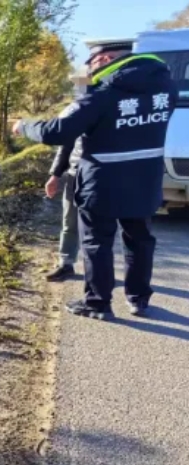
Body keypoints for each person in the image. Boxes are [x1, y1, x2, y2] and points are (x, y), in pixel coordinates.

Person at [13, 43, 177, 320]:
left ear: (104, 59)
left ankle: (98, 303)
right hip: (144, 182)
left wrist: (24, 125)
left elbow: (58, 131)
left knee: (97, 243)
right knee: (140, 241)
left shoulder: (102, 96)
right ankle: (138, 299)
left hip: (102, 184)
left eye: (91, 66)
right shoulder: (165, 91)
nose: (91, 73)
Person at [44, 67, 93, 283]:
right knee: (69, 221)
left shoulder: (109, 104)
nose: (77, 87)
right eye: (76, 83)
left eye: (81, 82)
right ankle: (66, 263)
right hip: (75, 174)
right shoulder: (74, 109)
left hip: (101, 176)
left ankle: (98, 271)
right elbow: (66, 144)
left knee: (98, 226)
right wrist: (55, 175)